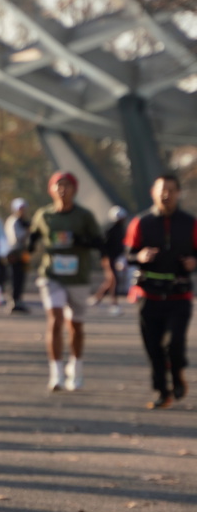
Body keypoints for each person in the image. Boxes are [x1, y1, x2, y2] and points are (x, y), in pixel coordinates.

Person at [125, 174, 197, 409]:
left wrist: (193, 262)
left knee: (174, 343)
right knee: (153, 347)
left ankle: (177, 374)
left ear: (178, 193)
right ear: (153, 193)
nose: (166, 194)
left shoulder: (190, 223)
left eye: (171, 190)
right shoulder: (141, 222)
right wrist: (139, 256)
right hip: (149, 294)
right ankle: (162, 391)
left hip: (179, 294)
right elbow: (128, 255)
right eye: (161, 190)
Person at [30, 171, 102, 392]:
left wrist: (82, 240)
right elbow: (33, 236)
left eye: (67, 185)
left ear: (75, 189)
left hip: (78, 276)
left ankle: (76, 369)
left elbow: (99, 242)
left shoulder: (84, 216)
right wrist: (28, 244)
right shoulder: (44, 215)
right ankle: (56, 373)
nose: (62, 190)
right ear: (51, 189)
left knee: (76, 326)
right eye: (58, 185)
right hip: (52, 275)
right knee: (55, 319)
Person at [92, 205, 128, 313]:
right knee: (114, 280)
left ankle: (97, 298)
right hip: (109, 259)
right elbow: (102, 245)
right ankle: (114, 304)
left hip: (116, 258)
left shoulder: (120, 229)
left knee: (110, 281)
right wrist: (105, 257)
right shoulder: (110, 230)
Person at [4, 198, 31, 312]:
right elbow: (17, 237)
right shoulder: (13, 221)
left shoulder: (23, 221)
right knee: (14, 278)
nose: (22, 211)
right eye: (20, 208)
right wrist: (28, 231)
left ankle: (18, 300)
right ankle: (13, 301)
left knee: (21, 278)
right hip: (14, 253)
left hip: (22, 253)